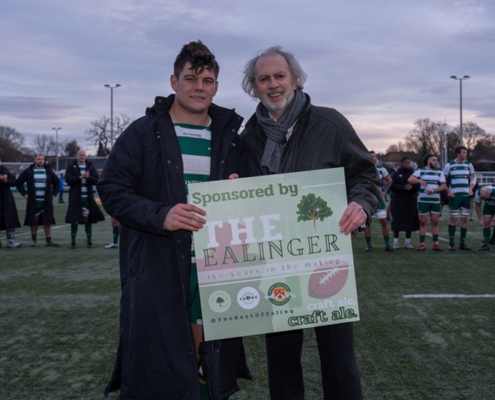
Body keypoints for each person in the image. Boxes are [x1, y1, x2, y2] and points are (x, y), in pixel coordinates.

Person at [97, 41, 250, 400]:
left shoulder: (230, 138)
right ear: (173, 81)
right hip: (159, 262)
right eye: (191, 78)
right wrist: (160, 215)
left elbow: (253, 191)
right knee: (160, 367)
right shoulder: (143, 132)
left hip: (216, 265)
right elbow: (112, 189)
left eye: (208, 80)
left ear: (216, 86)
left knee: (209, 363)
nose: (200, 87)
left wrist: (242, 189)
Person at [240, 45, 381, 400]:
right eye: (263, 78)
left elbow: (366, 176)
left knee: (338, 359)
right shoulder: (249, 136)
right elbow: (240, 188)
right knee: (282, 360)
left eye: (279, 75)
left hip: (325, 259)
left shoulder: (330, 123)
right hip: (275, 262)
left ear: (295, 79)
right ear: (253, 87)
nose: (272, 84)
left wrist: (361, 204)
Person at [16, 154, 60, 247]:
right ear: (34, 160)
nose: (41, 161)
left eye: (42, 159)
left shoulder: (48, 171)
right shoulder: (28, 171)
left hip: (46, 201)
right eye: (39, 159)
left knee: (47, 220)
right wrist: (25, 194)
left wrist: (54, 194)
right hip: (33, 201)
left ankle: (49, 240)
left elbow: (57, 182)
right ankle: (33, 240)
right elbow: (19, 182)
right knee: (34, 220)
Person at [65, 150, 105, 248]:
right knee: (74, 220)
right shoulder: (71, 166)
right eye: (80, 155)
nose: (82, 157)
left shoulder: (90, 166)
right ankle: (73, 242)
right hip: (75, 198)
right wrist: (79, 177)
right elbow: (68, 179)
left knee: (87, 219)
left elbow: (96, 180)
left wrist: (88, 177)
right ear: (76, 156)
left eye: (83, 155)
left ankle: (89, 242)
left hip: (87, 198)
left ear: (86, 157)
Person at [408, 154, 447, 251]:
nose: (435, 162)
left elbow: (444, 186)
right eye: (434, 160)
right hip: (423, 201)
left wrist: (434, 191)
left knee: (434, 222)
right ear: (428, 161)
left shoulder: (439, 173)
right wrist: (419, 181)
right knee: (423, 222)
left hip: (435, 201)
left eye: (436, 160)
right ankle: (422, 244)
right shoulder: (421, 171)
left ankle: (436, 244)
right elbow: (410, 179)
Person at [442, 146, 476, 251]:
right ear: (457, 154)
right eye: (463, 152)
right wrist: (448, 192)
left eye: (466, 152)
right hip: (454, 196)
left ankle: (462, 243)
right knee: (454, 218)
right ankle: (451, 243)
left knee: (464, 219)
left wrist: (471, 189)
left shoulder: (469, 165)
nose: (465, 154)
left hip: (465, 196)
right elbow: (442, 181)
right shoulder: (449, 165)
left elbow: (473, 178)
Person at [364, 151, 394, 252]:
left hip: (378, 200)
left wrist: (385, 191)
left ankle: (387, 245)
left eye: (375, 156)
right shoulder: (362, 169)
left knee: (384, 221)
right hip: (367, 200)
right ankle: (369, 245)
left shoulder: (382, 169)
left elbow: (390, 180)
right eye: (371, 156)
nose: (373, 158)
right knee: (367, 222)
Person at [390, 157, 420, 249]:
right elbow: (391, 185)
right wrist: (403, 187)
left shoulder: (414, 174)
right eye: (405, 163)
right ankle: (395, 243)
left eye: (408, 163)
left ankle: (408, 243)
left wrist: (412, 187)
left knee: (410, 223)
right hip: (398, 202)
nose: (407, 165)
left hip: (411, 201)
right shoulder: (395, 174)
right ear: (401, 163)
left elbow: (418, 185)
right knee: (397, 222)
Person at [0, 157, 22, 248]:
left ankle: (11, 241)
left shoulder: (5, 171)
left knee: (9, 218)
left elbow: (14, 182)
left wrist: (6, 181)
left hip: (6, 198)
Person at [475, 185, 495, 251]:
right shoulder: (477, 193)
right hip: (488, 206)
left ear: (489, 193)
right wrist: (480, 219)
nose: (485, 200)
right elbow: (478, 206)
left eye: (486, 198)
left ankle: (493, 239)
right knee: (486, 222)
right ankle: (486, 244)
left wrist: (494, 219)